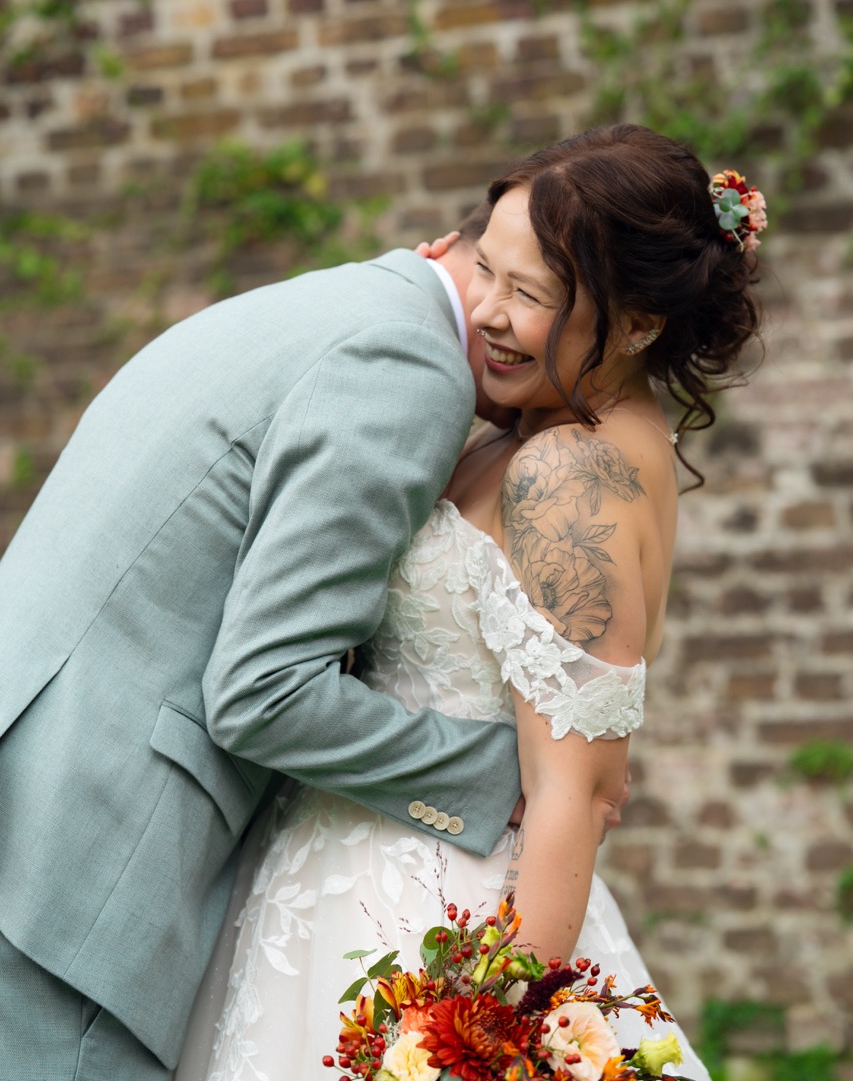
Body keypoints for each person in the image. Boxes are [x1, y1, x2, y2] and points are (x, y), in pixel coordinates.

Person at [176, 125, 764, 1081]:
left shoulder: (568, 475)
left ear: (637, 323)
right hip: (350, 875)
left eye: (528, 295)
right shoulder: (541, 426)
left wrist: (485, 1036)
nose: (485, 310)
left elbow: (575, 789)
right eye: (484, 267)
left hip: (433, 924)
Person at [0, 215, 526, 1081]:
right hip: (76, 868)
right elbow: (265, 691)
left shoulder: (313, 306)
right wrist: (505, 776)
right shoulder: (409, 361)